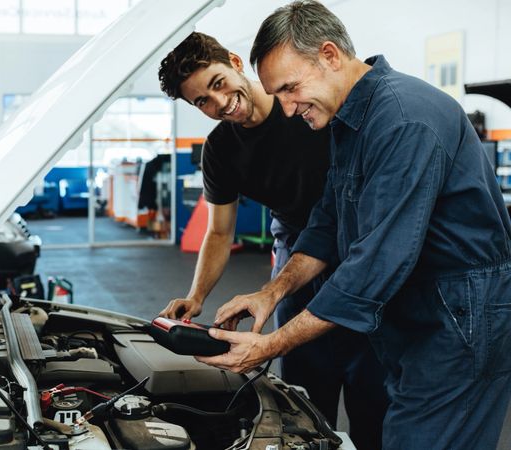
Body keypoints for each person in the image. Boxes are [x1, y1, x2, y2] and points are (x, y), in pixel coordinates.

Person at [200, 2, 511, 449]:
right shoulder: (350, 121)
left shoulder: (403, 120)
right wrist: (271, 292)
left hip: (460, 314)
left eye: (290, 88)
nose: (286, 109)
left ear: (329, 55)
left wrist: (271, 346)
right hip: (417, 309)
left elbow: (374, 265)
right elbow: (327, 223)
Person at [156, 32, 387, 449]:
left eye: (217, 82)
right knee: (302, 389)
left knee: (370, 381)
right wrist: (197, 296)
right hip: (295, 248)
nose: (219, 101)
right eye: (202, 101)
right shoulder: (221, 150)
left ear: (234, 62)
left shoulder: (302, 103)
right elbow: (220, 231)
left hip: (356, 239)